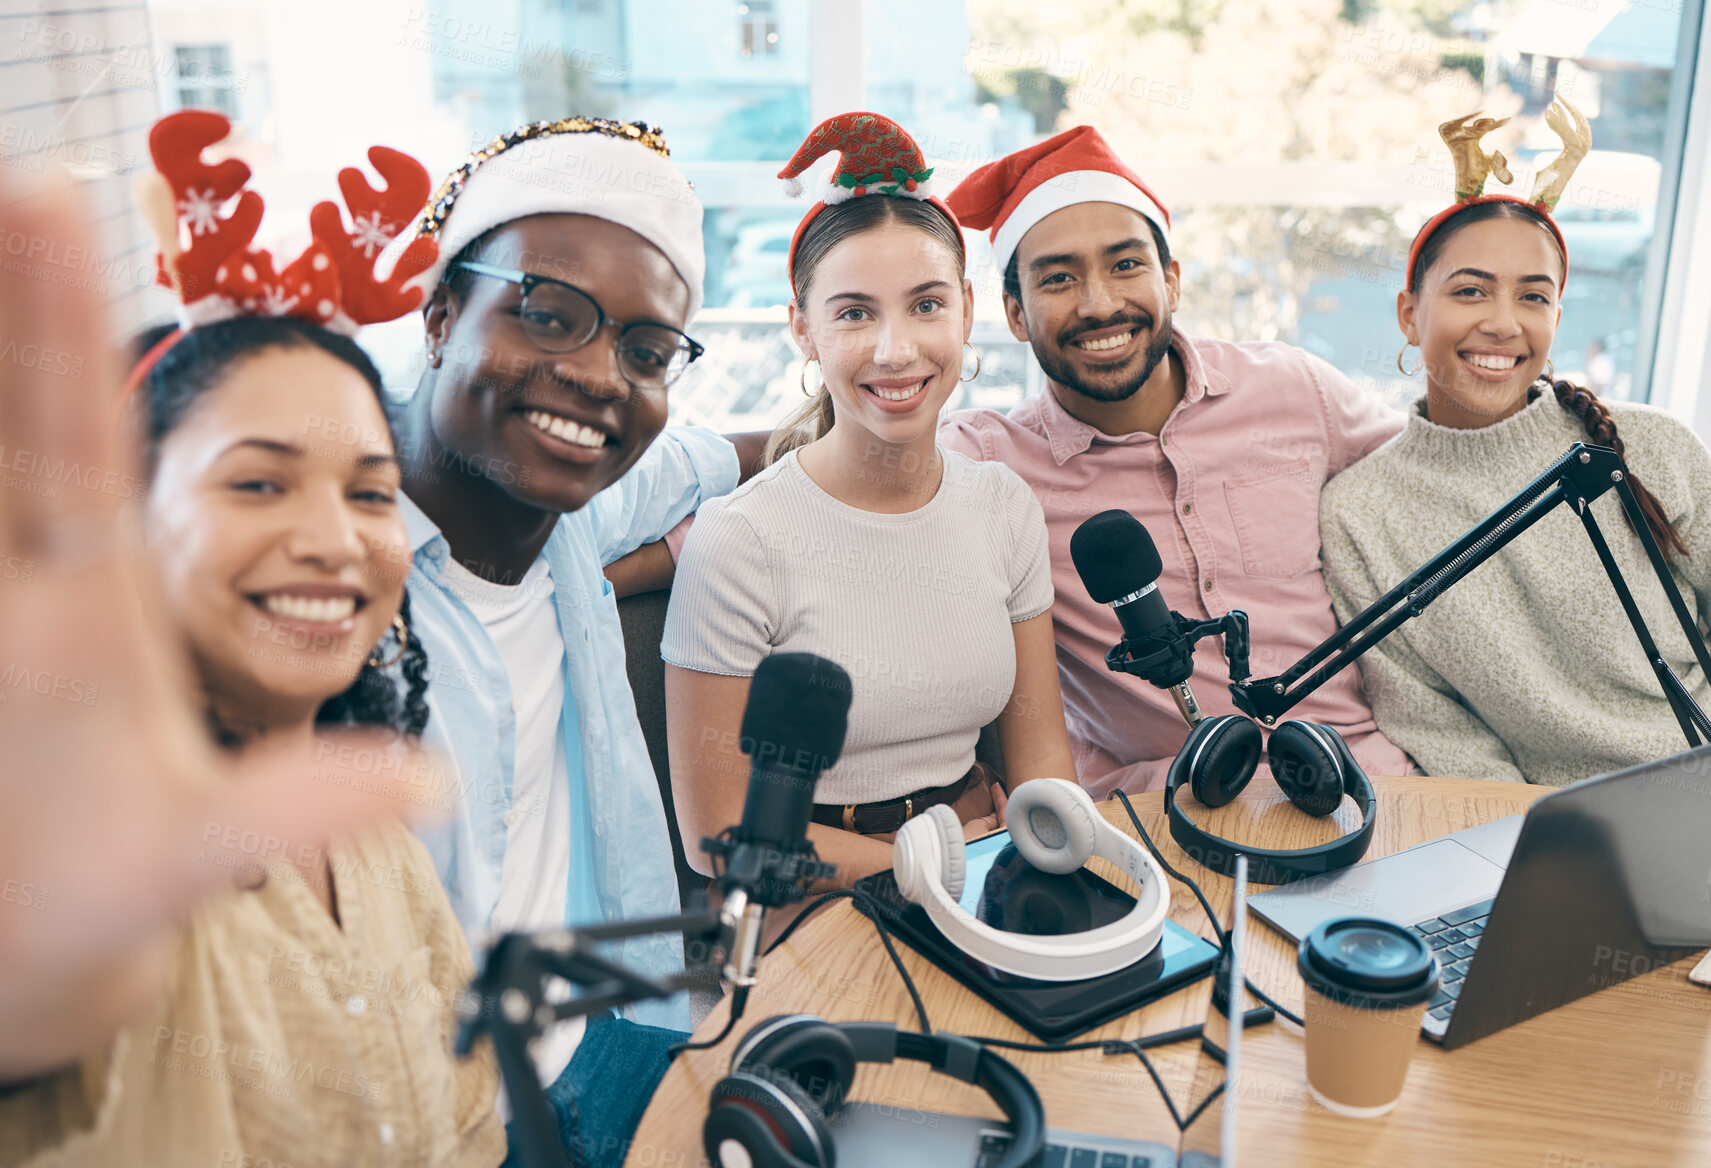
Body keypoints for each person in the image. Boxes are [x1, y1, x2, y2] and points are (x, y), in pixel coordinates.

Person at [1, 109, 503, 1163]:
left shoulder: (377, 833)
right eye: (259, 481)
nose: (333, 539)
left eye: (371, 493)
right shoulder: (80, 859)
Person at [383, 116, 764, 1165]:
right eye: (548, 317)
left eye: (644, 350)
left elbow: (693, 457)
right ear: (438, 312)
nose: (599, 377)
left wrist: (816, 433)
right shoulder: (318, 551)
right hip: (417, 1118)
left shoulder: (577, 508)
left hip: (613, 1041)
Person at [661, 113, 1077, 889]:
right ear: (803, 331)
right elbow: (717, 831)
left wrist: (1053, 866)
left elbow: (1040, 758)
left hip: (988, 865)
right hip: (813, 893)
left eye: (925, 305)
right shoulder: (742, 538)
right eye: (854, 313)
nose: (896, 350)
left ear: (963, 308)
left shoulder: (1001, 506)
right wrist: (928, 872)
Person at [937, 125, 1411, 795]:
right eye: (1058, 278)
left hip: (1370, 783)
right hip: (1163, 811)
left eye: (1125, 265)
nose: (1099, 304)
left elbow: (1438, 474)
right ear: (1013, 314)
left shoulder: (1292, 388)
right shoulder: (987, 464)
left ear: (1172, 280)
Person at [1319, 101, 1711, 786]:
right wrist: (1528, 837)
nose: (1503, 324)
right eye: (1470, 291)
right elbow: (1429, 719)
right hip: (1553, 831)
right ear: (1411, 314)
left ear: (1556, 314)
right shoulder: (1359, 513)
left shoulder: (1651, 445)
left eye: (1532, 298)